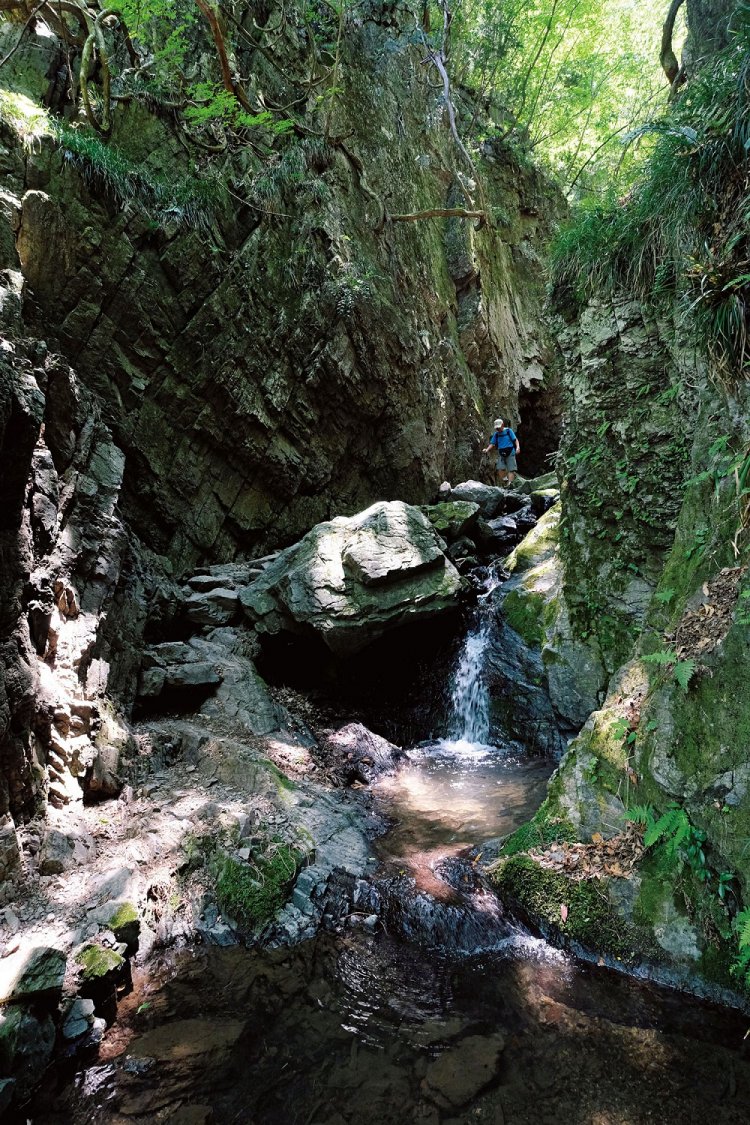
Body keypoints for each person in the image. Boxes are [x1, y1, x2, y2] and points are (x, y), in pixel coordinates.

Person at [484, 417, 520, 486]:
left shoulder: (509, 431)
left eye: (499, 427)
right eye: (496, 428)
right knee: (500, 468)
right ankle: (506, 480)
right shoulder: (496, 434)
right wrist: (487, 449)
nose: (497, 429)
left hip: (510, 451)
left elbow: (515, 440)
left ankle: (510, 484)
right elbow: (492, 443)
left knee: (511, 469)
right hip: (501, 452)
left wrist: (518, 447)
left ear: (503, 425)